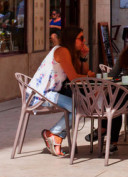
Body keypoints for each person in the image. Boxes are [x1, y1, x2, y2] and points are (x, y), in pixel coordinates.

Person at [30, 26, 93, 156]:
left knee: (80, 107)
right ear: (72, 39)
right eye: (81, 38)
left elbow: (82, 72)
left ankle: (56, 136)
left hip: (50, 93)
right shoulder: (62, 51)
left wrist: (83, 57)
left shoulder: (69, 53)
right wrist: (91, 77)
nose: (84, 41)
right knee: (80, 108)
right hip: (40, 95)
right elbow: (74, 78)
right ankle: (53, 133)